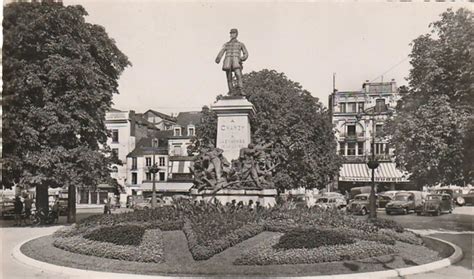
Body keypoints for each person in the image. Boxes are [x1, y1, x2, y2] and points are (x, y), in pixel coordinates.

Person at [215, 28, 249, 94]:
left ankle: (241, 90)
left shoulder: (240, 44)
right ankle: (231, 91)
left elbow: (246, 53)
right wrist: (218, 58)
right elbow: (222, 51)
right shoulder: (226, 44)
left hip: (236, 61)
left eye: (234, 33)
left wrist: (242, 58)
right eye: (231, 33)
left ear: (236, 34)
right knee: (229, 77)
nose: (232, 34)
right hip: (227, 61)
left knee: (238, 75)